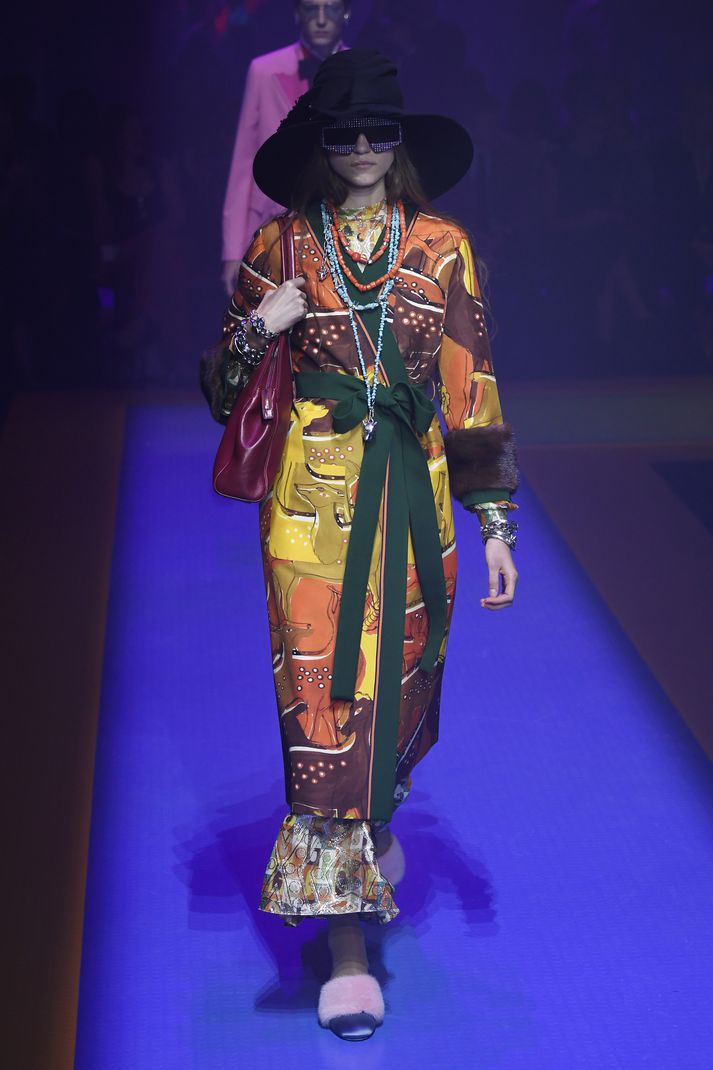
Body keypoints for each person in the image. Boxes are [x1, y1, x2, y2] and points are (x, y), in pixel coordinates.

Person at [214, 49, 519, 1041]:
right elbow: (220, 386)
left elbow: (471, 385)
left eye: (375, 131)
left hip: (412, 493)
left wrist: (493, 519)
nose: (358, 147)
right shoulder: (279, 245)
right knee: (324, 711)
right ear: (318, 141)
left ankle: (370, 825)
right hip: (307, 507)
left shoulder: (441, 245)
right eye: (340, 131)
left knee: (400, 689)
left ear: (398, 141)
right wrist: (261, 327)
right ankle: (346, 953)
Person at [221, 0, 352, 296]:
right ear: (297, 14)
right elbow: (244, 160)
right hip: (273, 225)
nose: (321, 19)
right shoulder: (264, 71)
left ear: (346, 13)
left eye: (330, 8)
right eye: (312, 9)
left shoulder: (360, 71)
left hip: (340, 224)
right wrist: (233, 250)